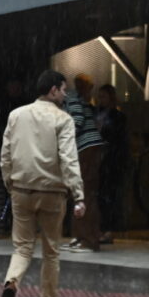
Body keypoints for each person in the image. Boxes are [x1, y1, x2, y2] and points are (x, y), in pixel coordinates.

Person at [0, 70, 85, 297]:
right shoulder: (63, 120)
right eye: (63, 89)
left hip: (21, 190)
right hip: (52, 194)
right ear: (53, 90)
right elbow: (68, 158)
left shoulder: (16, 115)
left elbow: (6, 153)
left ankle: (11, 284)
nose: (65, 94)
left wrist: (10, 182)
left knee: (22, 247)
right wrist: (78, 195)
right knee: (51, 252)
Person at [62, 73, 105, 252]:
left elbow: (77, 120)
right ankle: (82, 236)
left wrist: (63, 137)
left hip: (85, 148)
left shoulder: (70, 97)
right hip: (90, 147)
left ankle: (88, 239)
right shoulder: (80, 98)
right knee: (83, 193)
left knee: (83, 193)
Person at [96, 84, 128, 243]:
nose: (100, 100)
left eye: (103, 96)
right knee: (101, 195)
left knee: (110, 196)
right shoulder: (97, 114)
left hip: (111, 160)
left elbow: (120, 141)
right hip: (99, 160)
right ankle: (101, 227)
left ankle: (109, 229)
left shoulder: (118, 117)